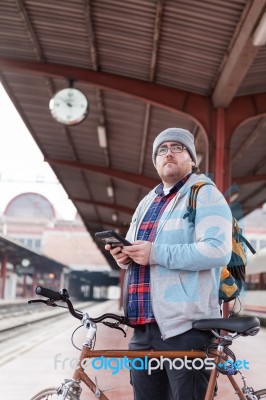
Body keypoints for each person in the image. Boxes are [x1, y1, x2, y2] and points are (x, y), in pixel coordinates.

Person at [105, 127, 232, 400]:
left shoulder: (205, 194)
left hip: (186, 328)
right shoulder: (146, 202)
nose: (169, 153)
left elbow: (218, 250)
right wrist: (123, 257)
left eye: (177, 147)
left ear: (192, 159)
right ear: (155, 161)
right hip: (142, 327)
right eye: (162, 150)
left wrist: (155, 253)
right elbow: (137, 250)